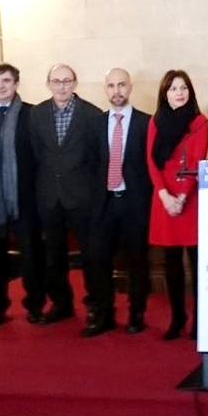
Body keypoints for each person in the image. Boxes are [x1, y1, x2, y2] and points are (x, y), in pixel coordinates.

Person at [30, 64, 102, 326]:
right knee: (53, 255)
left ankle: (95, 305)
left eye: (67, 81)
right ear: (48, 83)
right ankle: (61, 304)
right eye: (56, 81)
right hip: (49, 195)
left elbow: (97, 159)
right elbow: (37, 154)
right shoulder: (36, 114)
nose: (61, 86)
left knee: (90, 254)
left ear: (75, 83)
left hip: (82, 196)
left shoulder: (92, 114)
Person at [82, 68, 153, 337]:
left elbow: (150, 165)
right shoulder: (97, 124)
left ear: (130, 87)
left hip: (135, 204)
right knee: (98, 260)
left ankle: (136, 314)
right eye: (111, 86)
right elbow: (90, 163)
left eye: (121, 85)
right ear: (105, 89)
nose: (116, 91)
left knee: (137, 261)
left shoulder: (146, 123)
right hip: (105, 204)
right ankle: (103, 315)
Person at [0, 63, 46, 327]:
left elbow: (40, 158)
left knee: (32, 256)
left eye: (6, 80)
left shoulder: (32, 115)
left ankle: (35, 306)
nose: (0, 85)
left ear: (16, 83)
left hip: (24, 198)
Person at [146, 70, 208, 340]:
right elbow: (150, 161)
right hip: (164, 198)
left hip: (190, 196)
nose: (179, 93)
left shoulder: (199, 121)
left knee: (196, 263)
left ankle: (200, 319)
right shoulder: (155, 121)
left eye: (184, 88)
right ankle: (177, 317)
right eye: (173, 88)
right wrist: (164, 195)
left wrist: (182, 197)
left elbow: (197, 161)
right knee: (171, 263)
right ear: (165, 93)